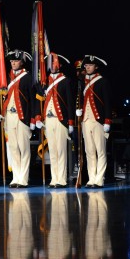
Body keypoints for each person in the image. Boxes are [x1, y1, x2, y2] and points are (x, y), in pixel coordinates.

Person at [34, 53, 75, 188]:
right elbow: (39, 100)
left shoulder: (65, 81)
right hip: (49, 120)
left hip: (60, 119)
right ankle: (54, 178)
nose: (52, 66)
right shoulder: (44, 82)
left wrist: (70, 122)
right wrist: (39, 117)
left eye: (54, 64)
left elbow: (69, 102)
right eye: (50, 64)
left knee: (61, 150)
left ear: (60, 65)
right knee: (52, 150)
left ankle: (61, 179)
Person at [1, 49, 37, 188]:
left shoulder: (27, 77)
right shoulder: (7, 78)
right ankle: (16, 177)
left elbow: (33, 100)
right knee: (13, 148)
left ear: (22, 62)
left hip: (23, 116)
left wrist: (34, 118)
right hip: (9, 116)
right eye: (12, 61)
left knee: (24, 148)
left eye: (16, 61)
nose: (13, 63)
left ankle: (23, 178)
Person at [77, 55, 111, 188]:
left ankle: (99, 178)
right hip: (86, 120)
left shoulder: (102, 81)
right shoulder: (83, 82)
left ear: (96, 67)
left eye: (90, 65)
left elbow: (107, 103)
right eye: (86, 66)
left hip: (98, 120)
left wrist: (107, 121)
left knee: (100, 150)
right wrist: (79, 110)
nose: (87, 67)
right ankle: (91, 178)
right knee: (89, 151)